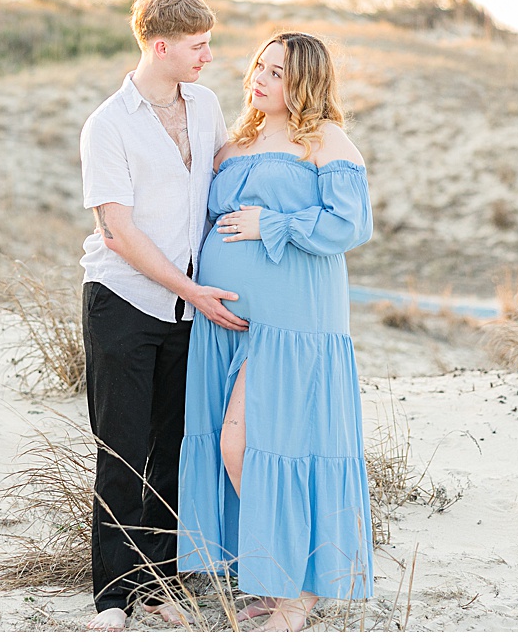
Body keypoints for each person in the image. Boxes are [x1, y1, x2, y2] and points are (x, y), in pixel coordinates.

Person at [177, 31, 375, 632]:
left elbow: (351, 224)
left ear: (306, 82)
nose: (259, 79)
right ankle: (268, 575)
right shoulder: (233, 142)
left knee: (259, 446)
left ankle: (298, 592)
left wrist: (273, 222)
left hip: (293, 325)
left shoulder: (325, 140)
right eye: (259, 67)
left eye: (277, 73)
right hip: (225, 323)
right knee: (237, 446)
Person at [78, 0, 249, 631]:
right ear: (161, 46)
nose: (209, 56)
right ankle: (113, 596)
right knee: (122, 448)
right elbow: (116, 230)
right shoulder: (109, 124)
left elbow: (225, 167)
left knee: (174, 445)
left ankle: (160, 581)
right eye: (198, 46)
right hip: (125, 303)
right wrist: (188, 286)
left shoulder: (204, 104)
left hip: (189, 308)